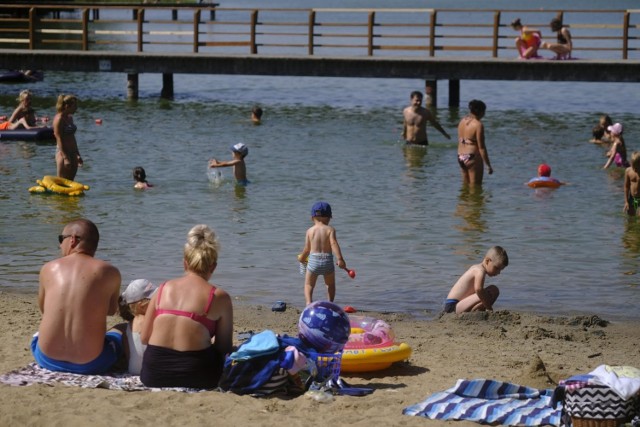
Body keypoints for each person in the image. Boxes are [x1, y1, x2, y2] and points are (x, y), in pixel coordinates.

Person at [140, 224, 233, 389]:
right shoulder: (219, 297)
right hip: (198, 377)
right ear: (213, 267)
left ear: (185, 263)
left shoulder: (162, 289)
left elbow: (145, 338)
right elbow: (223, 347)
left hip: (153, 375)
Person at [31, 219, 123, 374]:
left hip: (47, 359)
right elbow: (111, 310)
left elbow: (44, 309)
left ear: (72, 239)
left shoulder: (48, 268)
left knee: (37, 336)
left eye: (61, 239)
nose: (60, 245)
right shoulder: (110, 272)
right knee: (120, 331)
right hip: (92, 364)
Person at [298, 201, 348, 305]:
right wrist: (340, 259)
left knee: (309, 285)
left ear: (312, 217)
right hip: (327, 261)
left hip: (313, 262)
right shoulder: (330, 230)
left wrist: (302, 258)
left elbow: (307, 249)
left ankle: (308, 303)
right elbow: (334, 243)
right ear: (329, 217)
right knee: (330, 285)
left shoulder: (310, 231)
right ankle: (330, 303)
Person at [442, 246, 509, 314]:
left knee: (489, 292)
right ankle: (476, 313)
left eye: (500, 270)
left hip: (455, 305)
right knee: (493, 290)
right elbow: (479, 290)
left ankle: (474, 312)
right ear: (487, 261)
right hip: (453, 306)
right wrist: (489, 308)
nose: (498, 272)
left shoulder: (476, 268)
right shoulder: (479, 271)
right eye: (496, 268)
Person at [116, 279, 158, 375]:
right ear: (141, 306)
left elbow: (129, 355)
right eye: (154, 299)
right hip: (150, 372)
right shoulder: (151, 321)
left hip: (133, 370)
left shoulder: (129, 325)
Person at [457, 99, 493, 186]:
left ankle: (463, 200)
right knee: (475, 187)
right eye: (484, 111)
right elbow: (482, 148)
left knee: (465, 186)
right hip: (472, 157)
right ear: (480, 111)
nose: (484, 114)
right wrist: (488, 165)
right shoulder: (478, 125)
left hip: (460, 156)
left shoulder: (462, 121)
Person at [53, 94, 82, 181]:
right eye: (74, 106)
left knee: (71, 180)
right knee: (61, 181)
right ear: (67, 106)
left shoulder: (69, 118)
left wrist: (77, 154)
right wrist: (65, 157)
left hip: (72, 152)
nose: (76, 108)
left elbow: (72, 137)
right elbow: (58, 138)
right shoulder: (59, 119)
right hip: (63, 153)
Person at [624, 152, 640, 216]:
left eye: (637, 167)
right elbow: (626, 186)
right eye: (633, 167)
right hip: (632, 198)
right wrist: (626, 201)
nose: (635, 169)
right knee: (630, 218)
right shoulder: (628, 171)